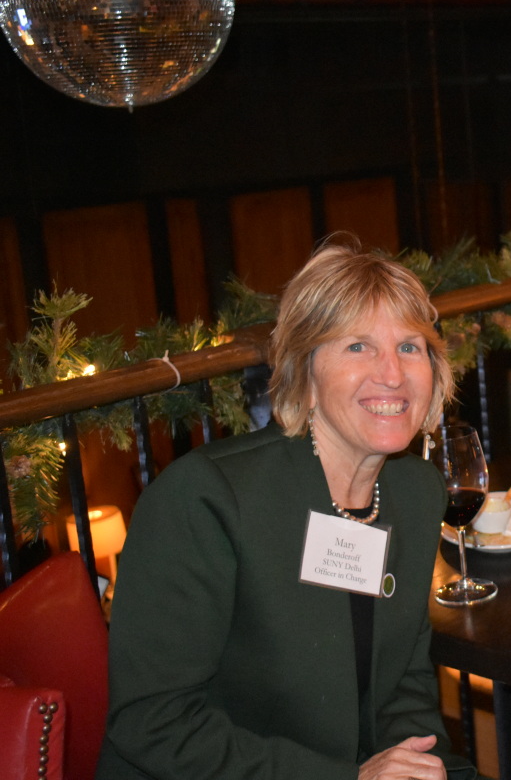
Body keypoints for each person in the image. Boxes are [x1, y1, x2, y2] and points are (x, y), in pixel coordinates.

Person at [99, 236, 476, 780]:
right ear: (306, 374)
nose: (391, 373)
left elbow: (403, 686)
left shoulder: (416, 493)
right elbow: (154, 722)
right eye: (357, 346)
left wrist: (420, 766)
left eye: (411, 347)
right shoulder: (206, 499)